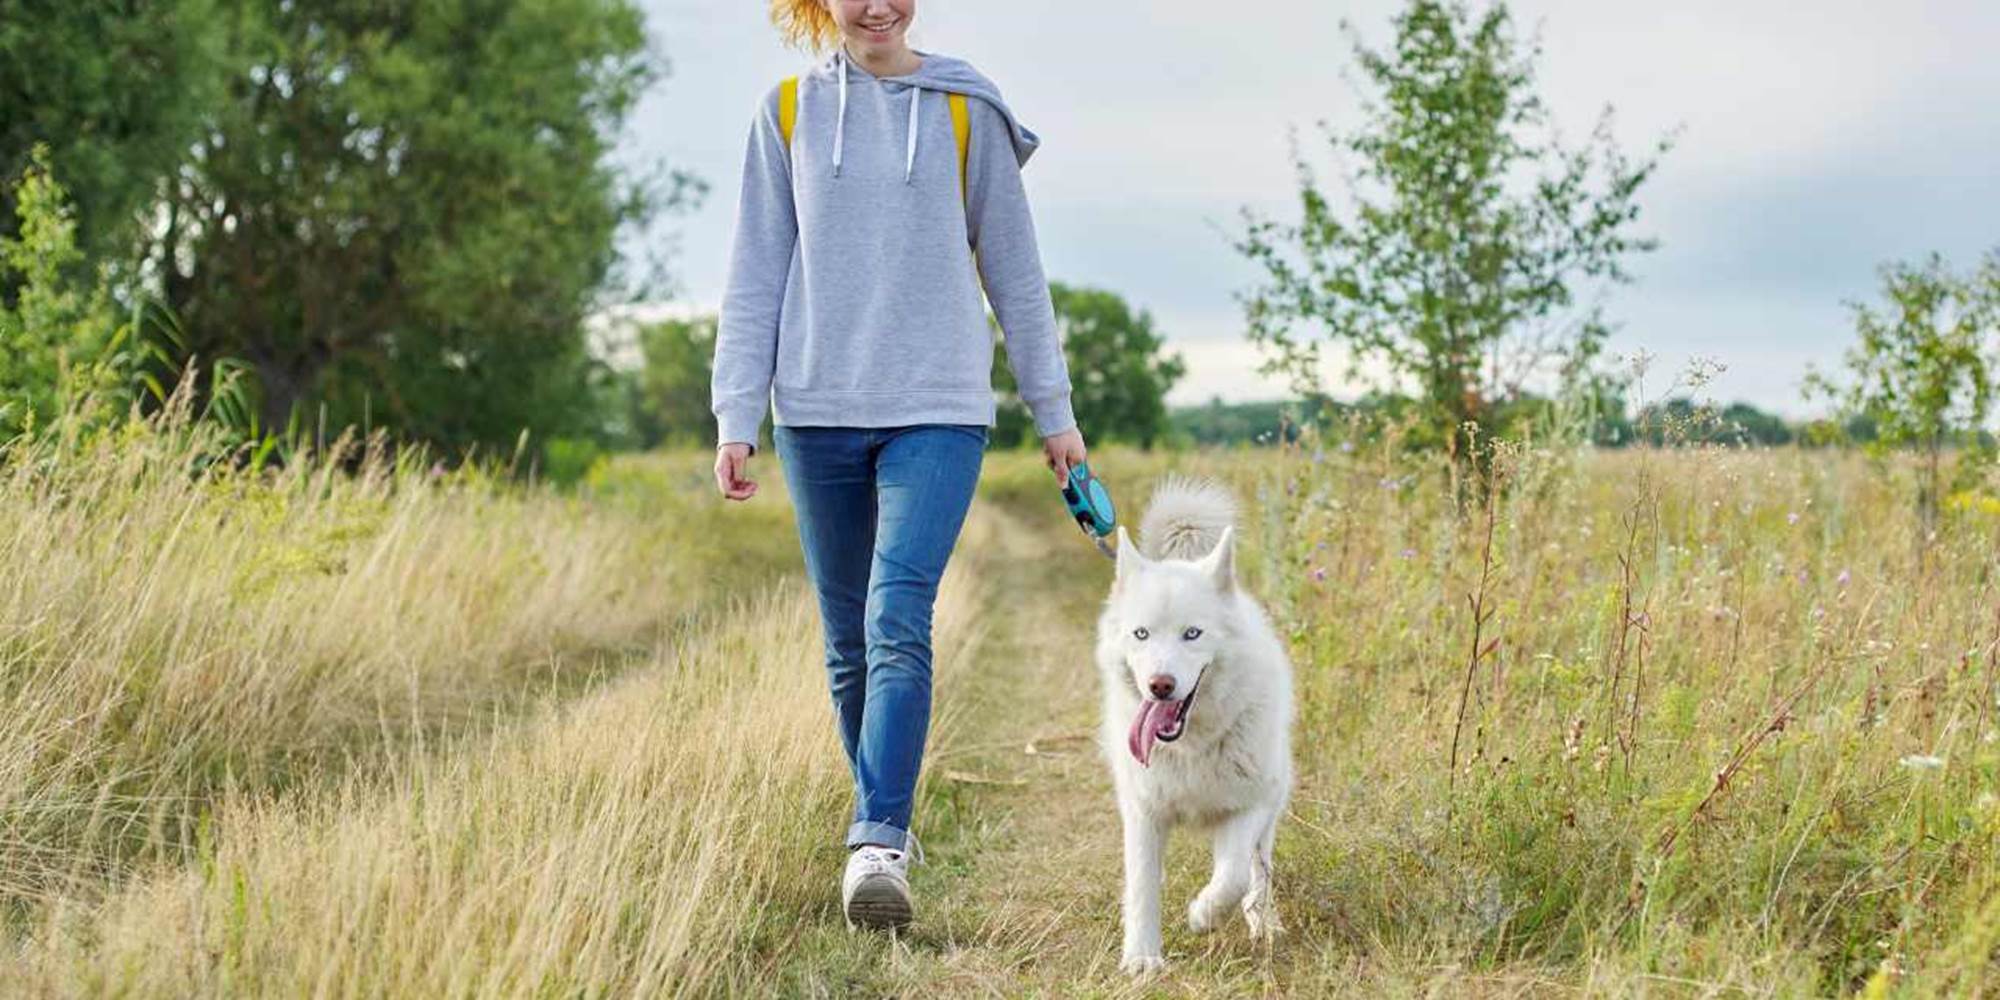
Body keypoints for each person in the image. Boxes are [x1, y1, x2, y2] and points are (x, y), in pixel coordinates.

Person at [708, 0, 1087, 930]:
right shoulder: (787, 111)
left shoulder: (966, 109)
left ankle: (876, 840)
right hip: (817, 410)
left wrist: (1055, 412)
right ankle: (883, 821)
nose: (877, 4)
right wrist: (735, 413)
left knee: (895, 614)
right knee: (848, 641)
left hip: (939, 406)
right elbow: (755, 270)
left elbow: (1015, 270)